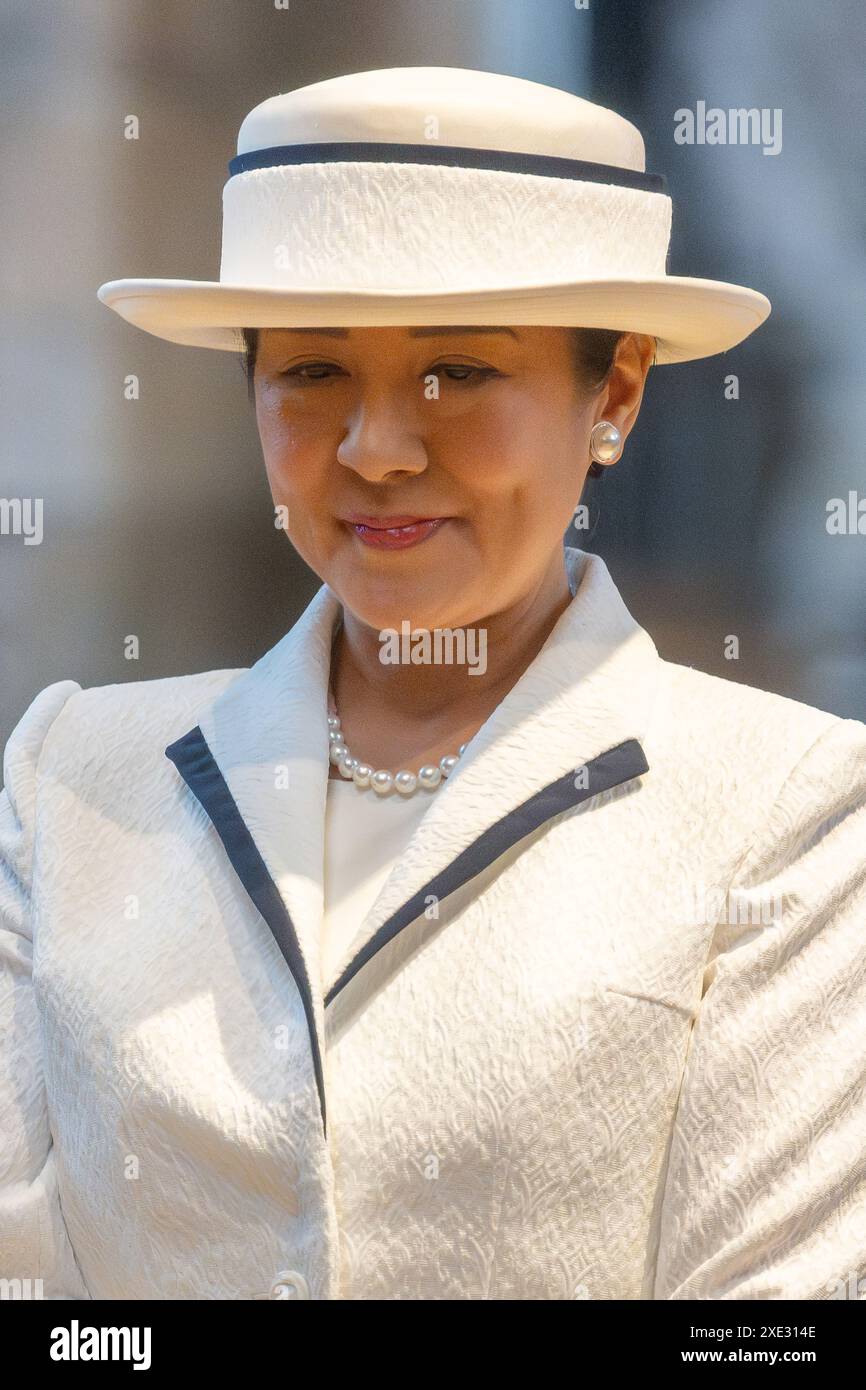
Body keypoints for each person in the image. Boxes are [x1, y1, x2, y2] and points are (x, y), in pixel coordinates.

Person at [2, 66, 864, 1301]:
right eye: (310, 372)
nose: (378, 449)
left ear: (613, 388)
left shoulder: (786, 811)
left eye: (456, 371)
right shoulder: (70, 778)